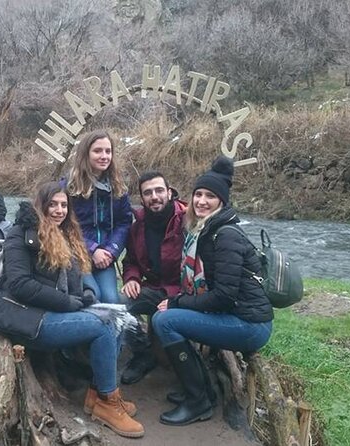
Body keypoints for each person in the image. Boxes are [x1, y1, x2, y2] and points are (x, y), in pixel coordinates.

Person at [0, 181, 144, 438]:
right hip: (26, 317)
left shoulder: (66, 233)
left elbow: (79, 274)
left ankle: (98, 394)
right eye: (53, 205)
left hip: (51, 312)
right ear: (41, 205)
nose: (58, 210)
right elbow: (20, 284)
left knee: (114, 318)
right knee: (103, 327)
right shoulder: (20, 233)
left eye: (63, 205)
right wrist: (66, 302)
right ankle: (106, 402)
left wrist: (89, 293)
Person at [152, 156, 274, 426]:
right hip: (240, 316)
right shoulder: (207, 230)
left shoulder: (226, 236)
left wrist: (177, 302)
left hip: (249, 324)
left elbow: (223, 296)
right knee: (167, 315)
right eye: (198, 194)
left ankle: (198, 401)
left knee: (164, 321)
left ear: (222, 201)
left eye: (210, 196)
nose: (201, 201)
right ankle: (201, 389)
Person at [120, 171, 186, 385]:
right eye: (148, 193)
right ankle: (142, 352)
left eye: (159, 190)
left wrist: (176, 297)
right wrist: (132, 278)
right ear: (142, 198)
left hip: (183, 293)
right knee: (116, 305)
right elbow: (130, 260)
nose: (154, 197)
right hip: (152, 289)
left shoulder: (187, 220)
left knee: (169, 361)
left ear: (169, 192)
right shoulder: (137, 225)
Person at [65, 129, 133, 303]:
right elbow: (65, 225)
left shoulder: (118, 188)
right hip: (76, 255)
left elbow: (124, 222)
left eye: (108, 151)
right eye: (97, 151)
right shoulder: (68, 188)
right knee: (93, 296)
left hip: (105, 257)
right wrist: (93, 249)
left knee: (111, 299)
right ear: (85, 154)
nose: (104, 156)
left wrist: (111, 250)